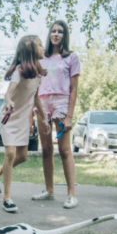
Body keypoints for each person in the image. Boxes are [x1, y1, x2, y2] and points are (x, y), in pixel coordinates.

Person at [0, 35, 50, 213]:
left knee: (22, 157)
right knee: (10, 154)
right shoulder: (19, 71)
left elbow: (35, 98)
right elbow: (9, 93)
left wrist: (43, 118)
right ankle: (7, 198)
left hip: (23, 118)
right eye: (39, 45)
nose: (43, 47)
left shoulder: (38, 75)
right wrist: (8, 101)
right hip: (9, 116)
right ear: (30, 51)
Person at [31, 19, 80, 209]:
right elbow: (34, 85)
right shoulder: (41, 58)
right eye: (53, 31)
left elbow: (74, 89)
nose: (56, 34)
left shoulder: (71, 58)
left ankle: (71, 194)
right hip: (43, 102)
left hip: (61, 102)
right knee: (46, 149)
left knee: (65, 150)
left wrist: (69, 115)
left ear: (64, 35)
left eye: (60, 31)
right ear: (49, 34)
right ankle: (49, 190)